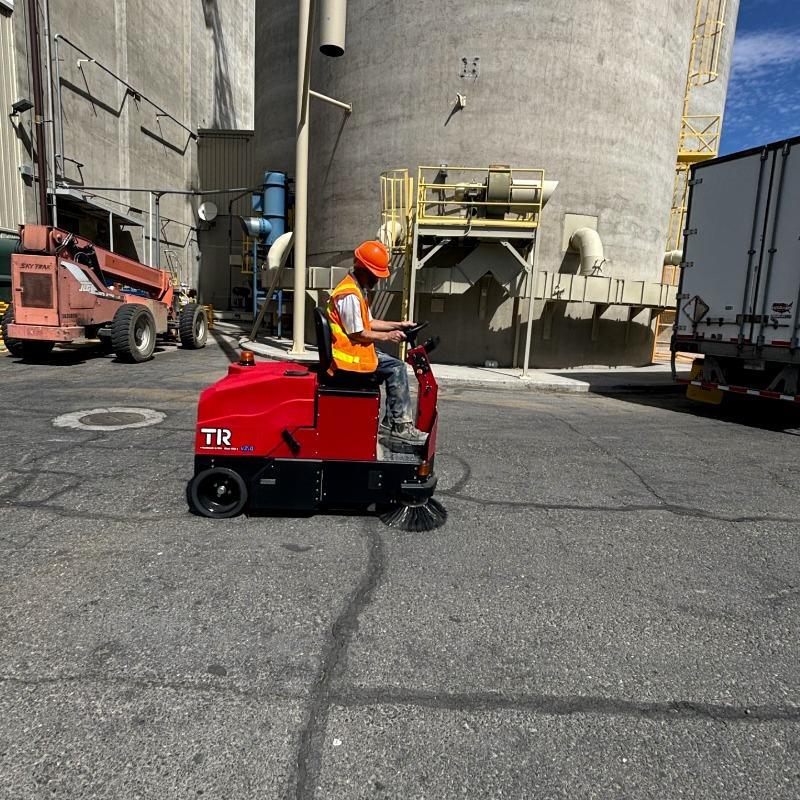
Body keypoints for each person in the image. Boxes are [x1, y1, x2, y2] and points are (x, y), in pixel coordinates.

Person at [326, 240, 428, 446]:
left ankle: (389, 423)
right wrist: (388, 337)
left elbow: (369, 322)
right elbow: (357, 333)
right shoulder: (349, 295)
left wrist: (398, 325)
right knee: (396, 368)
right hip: (347, 357)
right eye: (374, 275)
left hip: (354, 349)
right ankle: (401, 427)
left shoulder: (357, 290)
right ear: (362, 269)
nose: (377, 280)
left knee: (391, 363)